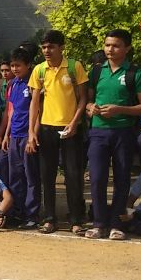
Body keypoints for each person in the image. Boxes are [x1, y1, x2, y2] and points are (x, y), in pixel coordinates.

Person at [84, 29, 141, 240]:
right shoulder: (96, 71)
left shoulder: (136, 74)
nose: (110, 50)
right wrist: (91, 108)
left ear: (127, 48)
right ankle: (99, 223)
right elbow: (87, 101)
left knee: (122, 178)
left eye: (116, 45)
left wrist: (119, 109)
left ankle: (116, 224)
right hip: (98, 131)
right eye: (107, 45)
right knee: (97, 178)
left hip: (124, 132)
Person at [27, 30, 89, 234]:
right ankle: (49, 218)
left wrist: (74, 122)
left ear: (62, 47)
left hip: (70, 129)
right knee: (47, 175)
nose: (47, 50)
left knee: (73, 174)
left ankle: (75, 219)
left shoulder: (74, 67)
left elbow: (83, 98)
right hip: (46, 128)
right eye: (44, 47)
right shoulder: (39, 70)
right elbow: (34, 103)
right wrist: (31, 132)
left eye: (51, 47)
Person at [0, 47, 40, 227]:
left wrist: (32, 135)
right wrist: (6, 134)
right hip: (14, 136)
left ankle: (32, 215)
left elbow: (38, 111)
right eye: (12, 65)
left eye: (18, 65)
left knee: (31, 177)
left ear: (28, 65)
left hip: (27, 136)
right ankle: (17, 212)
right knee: (15, 176)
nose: (14, 69)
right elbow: (11, 111)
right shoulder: (13, 84)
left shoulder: (34, 83)